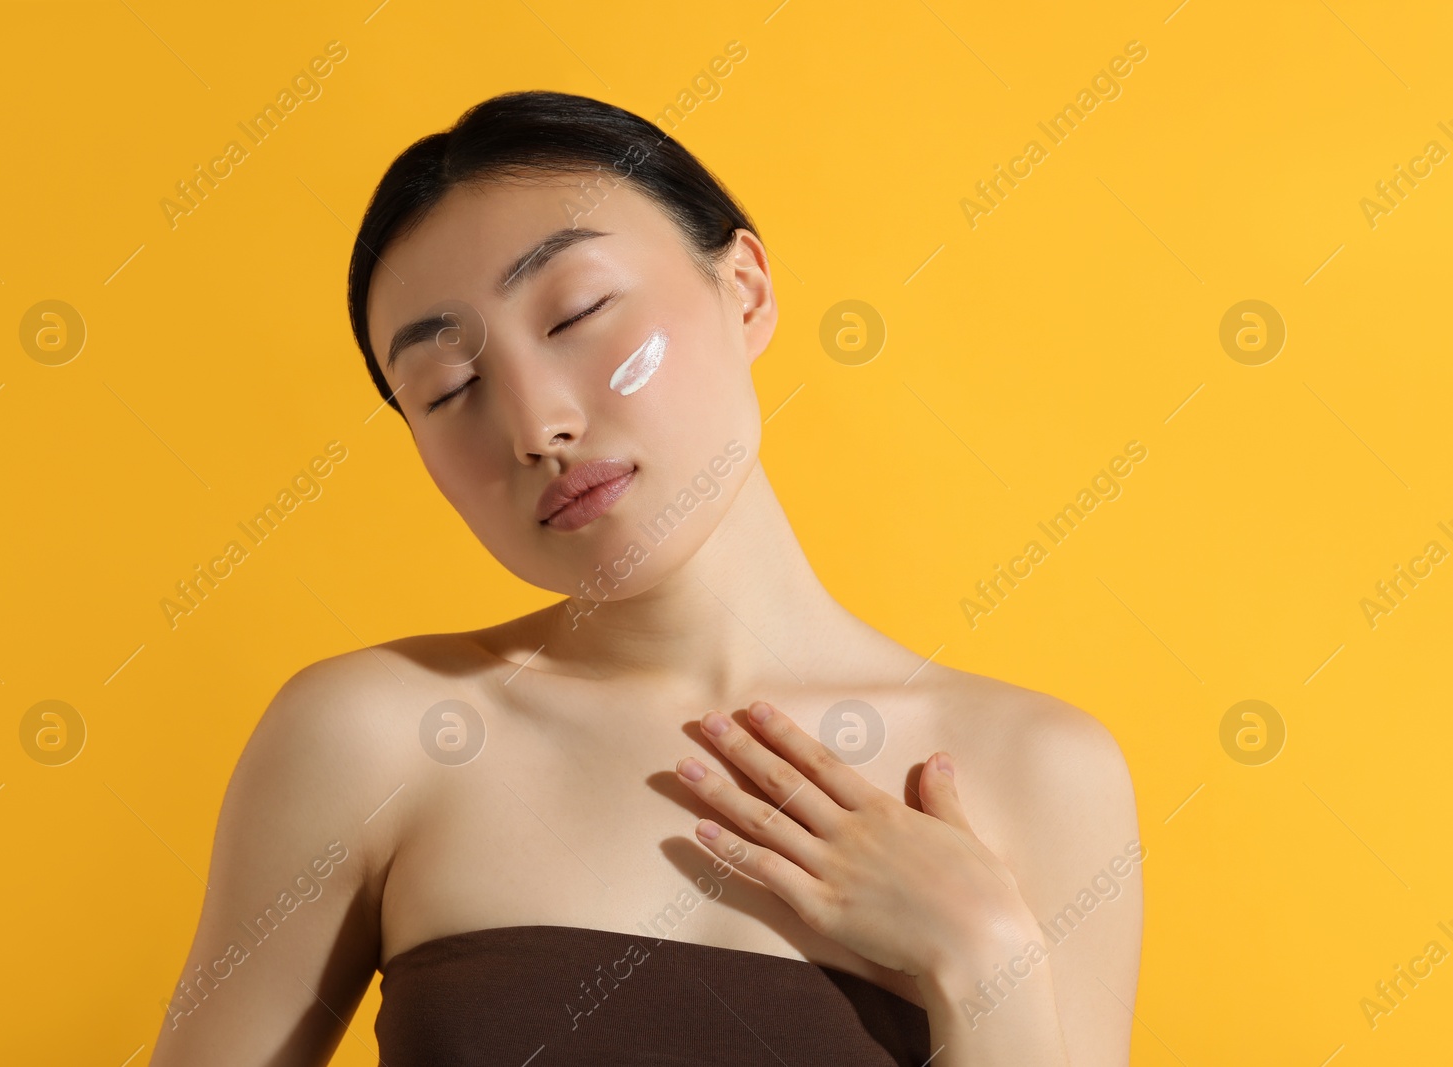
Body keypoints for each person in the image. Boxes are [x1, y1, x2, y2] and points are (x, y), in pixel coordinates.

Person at [148, 89, 1142, 1066]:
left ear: (744, 288)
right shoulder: (370, 737)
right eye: (448, 389)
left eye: (576, 311)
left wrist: (987, 961)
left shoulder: (1039, 770)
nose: (537, 425)